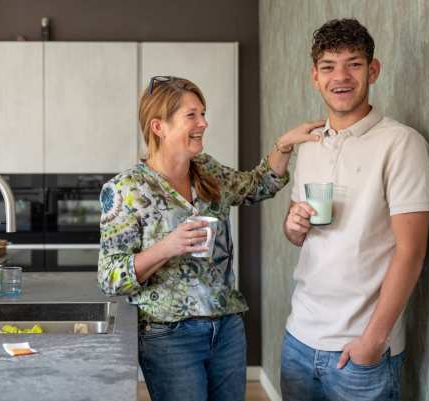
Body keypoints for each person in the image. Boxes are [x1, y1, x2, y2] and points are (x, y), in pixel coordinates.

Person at [98, 76, 322, 401]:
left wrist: (284, 144)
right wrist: (167, 246)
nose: (203, 123)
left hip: (226, 326)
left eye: (203, 113)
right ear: (158, 127)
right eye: (192, 115)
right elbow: (111, 278)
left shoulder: (205, 170)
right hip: (168, 334)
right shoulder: (124, 190)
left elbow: (257, 185)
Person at [280, 18, 429, 401]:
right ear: (315, 76)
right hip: (298, 338)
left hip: (361, 352)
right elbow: (299, 235)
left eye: (354, 63)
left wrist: (373, 340)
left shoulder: (401, 143)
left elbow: (411, 251)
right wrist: (294, 224)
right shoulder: (310, 144)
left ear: (373, 70)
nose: (341, 76)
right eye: (329, 66)